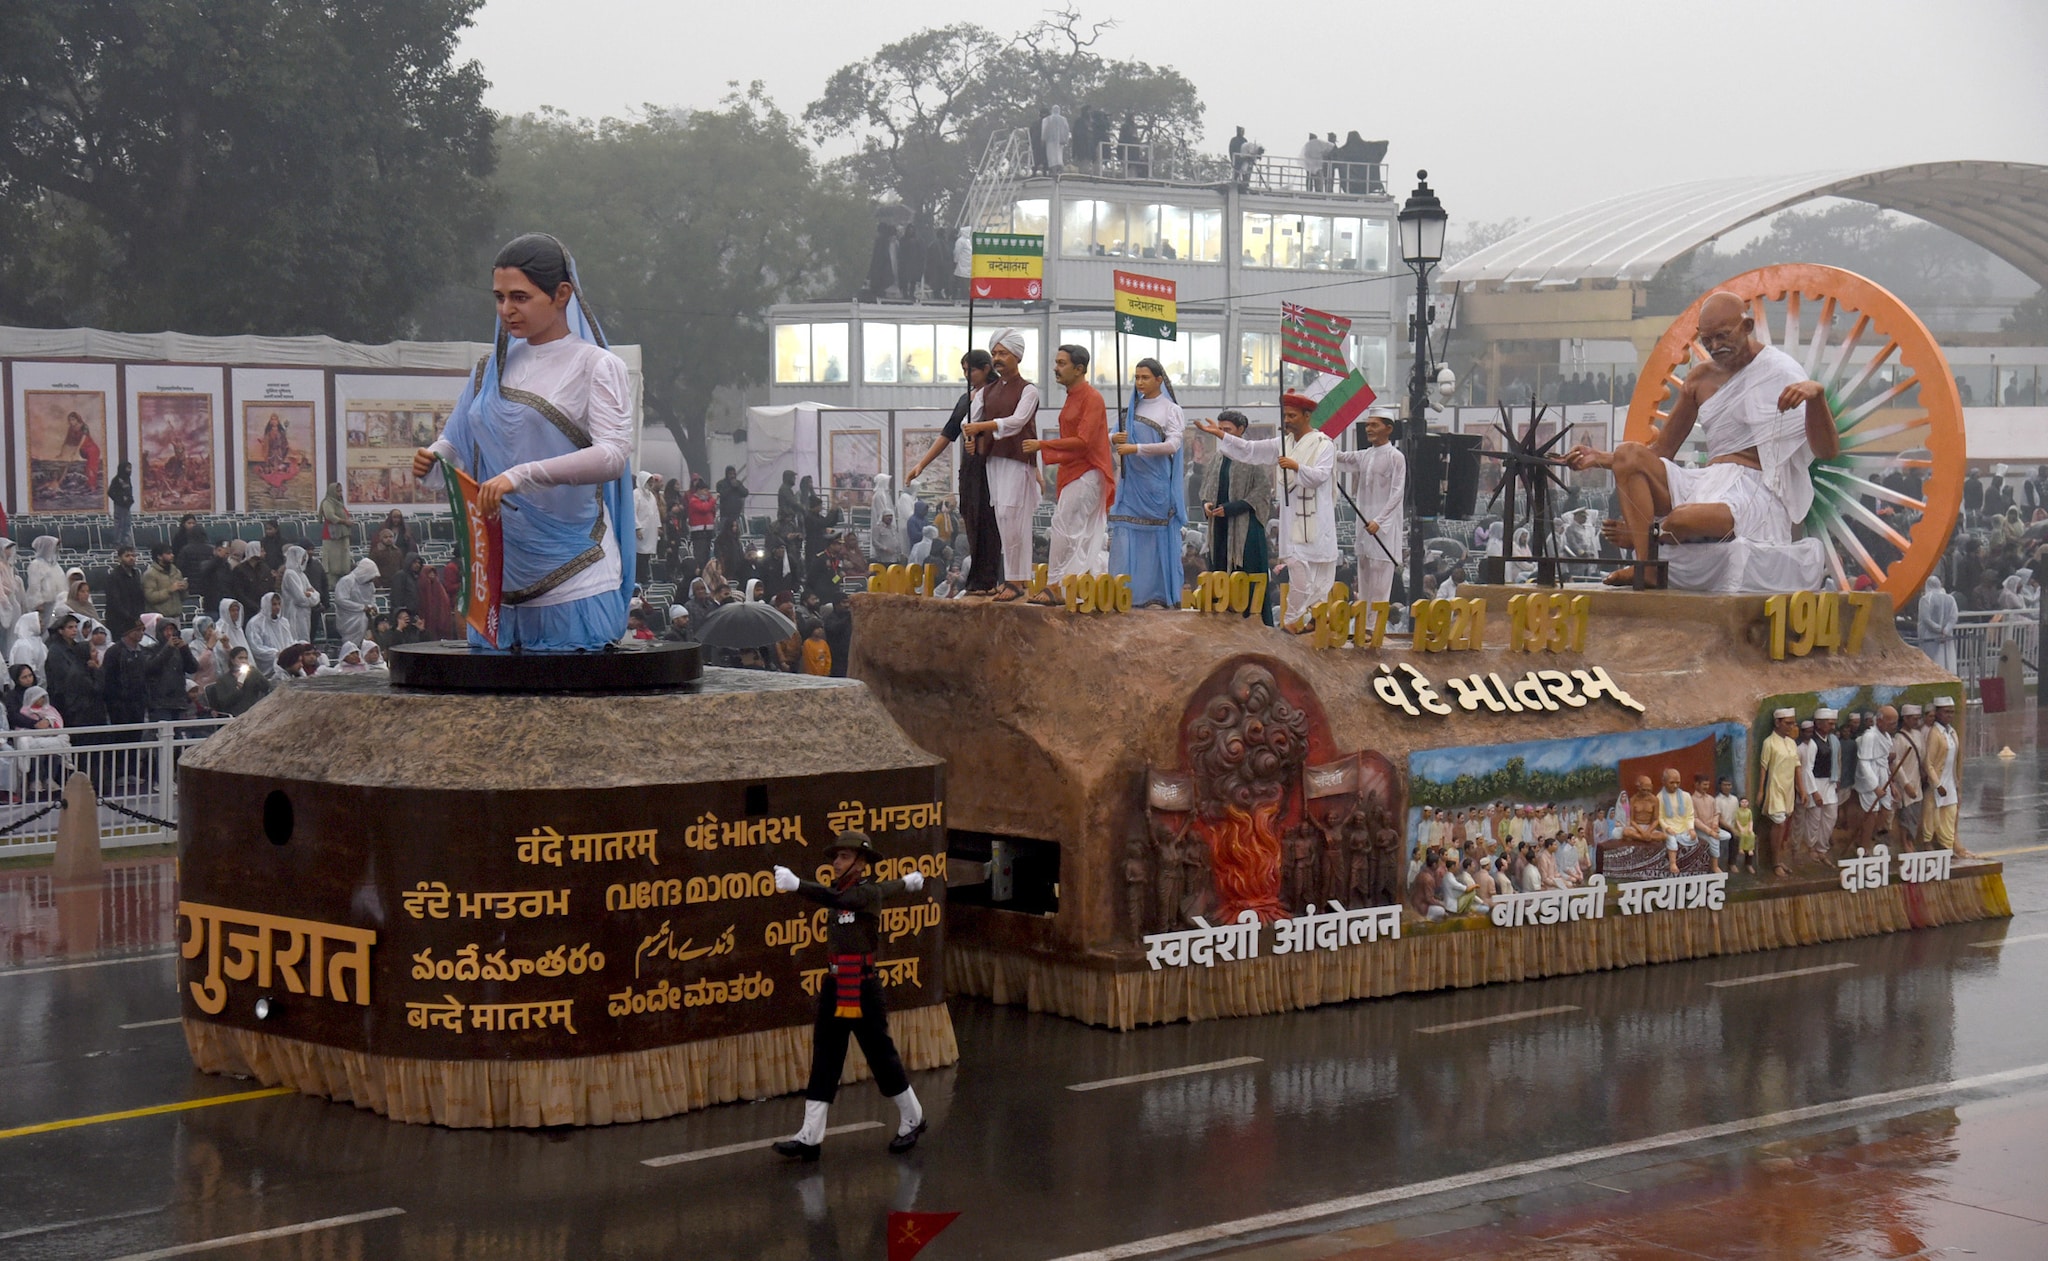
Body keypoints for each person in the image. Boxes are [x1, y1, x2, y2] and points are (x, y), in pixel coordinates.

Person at [412, 233, 634, 651]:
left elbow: (612, 456)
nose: (506, 310)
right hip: (499, 573)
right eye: (498, 297)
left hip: (574, 572)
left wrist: (522, 475)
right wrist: (433, 459)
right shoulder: (490, 369)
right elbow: (455, 443)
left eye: (520, 297)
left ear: (561, 294)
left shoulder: (595, 366)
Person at [1563, 290, 1838, 591]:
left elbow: (1827, 450)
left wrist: (1817, 398)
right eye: (1708, 341)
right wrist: (1602, 458)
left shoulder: (1781, 371)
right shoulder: (1699, 379)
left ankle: (1648, 535)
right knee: (1628, 454)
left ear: (1746, 327)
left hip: (1754, 491)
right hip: (1705, 481)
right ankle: (1646, 566)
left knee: (1682, 519)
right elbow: (1662, 451)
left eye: (1723, 336)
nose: (1716, 347)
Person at [769, 833, 929, 1159]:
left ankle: (913, 1118)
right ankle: (809, 1137)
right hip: (835, 983)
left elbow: (847, 898)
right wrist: (906, 882)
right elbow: (881, 889)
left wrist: (798, 884)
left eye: (843, 857)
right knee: (826, 1055)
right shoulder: (847, 892)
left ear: (861, 861)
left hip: (863, 985)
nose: (835, 862)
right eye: (836, 856)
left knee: (879, 1054)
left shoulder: (863, 893)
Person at [1196, 393, 1337, 629]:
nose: (1288, 420)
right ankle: (1293, 620)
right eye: (1285, 415)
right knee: (1296, 565)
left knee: (1319, 573)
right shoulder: (1283, 443)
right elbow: (1250, 450)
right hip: (1292, 520)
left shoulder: (1324, 444)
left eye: (1292, 415)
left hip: (1316, 518)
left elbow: (1320, 476)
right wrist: (1220, 435)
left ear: (1307, 416)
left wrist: (1296, 466)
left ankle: (1315, 618)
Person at [1025, 343, 1115, 604]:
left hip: (1087, 472)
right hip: (1074, 471)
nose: (1056, 368)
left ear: (1079, 369)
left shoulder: (1092, 398)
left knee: (1067, 529)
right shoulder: (1073, 396)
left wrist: (1043, 445)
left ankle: (1056, 586)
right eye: (1056, 362)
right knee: (1074, 531)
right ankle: (1077, 585)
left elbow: (1084, 441)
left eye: (1061, 363)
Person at [909, 350, 1001, 593]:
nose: (967, 375)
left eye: (971, 369)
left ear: (986, 368)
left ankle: (990, 578)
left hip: (993, 465)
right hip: (970, 466)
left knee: (990, 521)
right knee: (971, 517)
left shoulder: (1000, 393)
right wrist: (922, 464)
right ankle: (978, 578)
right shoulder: (967, 399)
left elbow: (1010, 430)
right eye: (964, 370)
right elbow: (949, 433)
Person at [959, 330, 1041, 601]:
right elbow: (969, 420)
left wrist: (980, 428)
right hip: (993, 460)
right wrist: (971, 435)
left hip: (1017, 459)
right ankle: (1013, 579)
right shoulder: (986, 391)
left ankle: (1018, 579)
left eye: (1003, 353)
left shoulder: (1028, 390)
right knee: (1002, 517)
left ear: (1017, 356)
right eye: (994, 353)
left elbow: (1017, 422)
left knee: (1014, 515)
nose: (997, 358)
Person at [1108, 358, 1186, 608]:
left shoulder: (1170, 409)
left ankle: (1158, 595)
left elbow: (1173, 444)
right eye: (1137, 377)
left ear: (1159, 380)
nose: (1140, 382)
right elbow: (1107, 435)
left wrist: (1136, 448)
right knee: (1125, 535)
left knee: (1155, 538)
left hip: (1155, 486)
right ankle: (1125, 593)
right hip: (1130, 484)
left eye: (1145, 377)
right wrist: (1114, 437)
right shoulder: (1130, 409)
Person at [1196, 410, 1274, 624]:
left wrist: (1233, 508)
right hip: (1219, 527)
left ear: (1240, 431)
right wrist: (1207, 504)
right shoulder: (1218, 457)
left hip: (1244, 528)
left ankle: (1252, 620)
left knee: (1246, 575)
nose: (1222, 434)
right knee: (1219, 571)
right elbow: (1206, 488)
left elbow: (1262, 491)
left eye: (1227, 430)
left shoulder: (1252, 456)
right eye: (1219, 430)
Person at [1333, 407, 1406, 609]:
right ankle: (1363, 627)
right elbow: (1339, 458)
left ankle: (1375, 630)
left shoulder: (1396, 457)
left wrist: (1379, 521)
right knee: (1364, 574)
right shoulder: (1364, 455)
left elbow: (1397, 493)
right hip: (1364, 526)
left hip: (1383, 529)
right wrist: (1319, 443)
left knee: (1380, 580)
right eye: (1367, 425)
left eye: (1374, 425)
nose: (1369, 429)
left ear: (1388, 428)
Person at [1796, 707, 1841, 866]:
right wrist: (1814, 792)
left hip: (1829, 782)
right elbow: (1807, 769)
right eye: (1830, 723)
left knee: (1831, 816)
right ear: (1819, 724)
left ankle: (1822, 848)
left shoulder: (1832, 740)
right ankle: (1811, 848)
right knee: (1814, 819)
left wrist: (1836, 780)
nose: (1833, 727)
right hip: (1814, 782)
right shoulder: (1812, 743)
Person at [1851, 706, 1898, 853]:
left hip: (1882, 774)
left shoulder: (1887, 736)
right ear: (1880, 721)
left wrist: (1892, 785)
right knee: (1872, 813)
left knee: (1886, 808)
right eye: (1891, 723)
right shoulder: (1870, 736)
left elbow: (1885, 762)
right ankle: (1864, 847)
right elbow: (1864, 762)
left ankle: (1868, 837)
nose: (1893, 727)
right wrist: (1875, 786)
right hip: (1869, 777)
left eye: (1895, 723)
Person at [1925, 695, 1966, 857]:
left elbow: (1957, 759)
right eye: (1946, 712)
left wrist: (1956, 782)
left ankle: (1947, 846)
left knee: (1950, 814)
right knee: (1932, 814)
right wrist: (1937, 784)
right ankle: (1928, 842)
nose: (1949, 715)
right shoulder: (1934, 733)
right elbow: (1928, 763)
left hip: (1950, 782)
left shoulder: (1952, 732)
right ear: (1938, 713)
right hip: (1937, 783)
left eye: (1952, 712)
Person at [205, 646, 271, 717]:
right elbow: (224, 703)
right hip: (236, 715)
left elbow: (266, 687)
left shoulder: (252, 674)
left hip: (255, 712)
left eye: (246, 658)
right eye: (240, 658)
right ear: (232, 660)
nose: (243, 661)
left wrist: (255, 672)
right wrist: (238, 689)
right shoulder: (223, 680)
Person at [277, 546, 320, 642]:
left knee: (305, 639)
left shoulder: (302, 574)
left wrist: (311, 595)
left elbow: (316, 594)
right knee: (296, 640)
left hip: (305, 614)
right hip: (294, 613)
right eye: (302, 557)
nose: (304, 560)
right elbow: (300, 599)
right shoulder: (290, 574)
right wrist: (311, 595)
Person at [333, 557, 379, 648]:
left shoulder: (370, 584)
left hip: (366, 617)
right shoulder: (347, 581)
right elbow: (341, 600)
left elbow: (372, 598)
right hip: (349, 618)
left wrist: (373, 607)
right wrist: (362, 607)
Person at [1917, 575, 1958, 672]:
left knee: (1931, 664)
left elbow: (1926, 619)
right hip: (1946, 637)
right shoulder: (1950, 598)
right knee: (1947, 663)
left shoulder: (1925, 599)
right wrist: (1946, 630)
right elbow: (1954, 616)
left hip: (1929, 637)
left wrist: (1937, 629)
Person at [247, 592, 292, 679]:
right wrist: (275, 654)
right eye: (274, 604)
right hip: (267, 666)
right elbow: (256, 648)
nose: (277, 607)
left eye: (279, 604)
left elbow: (289, 641)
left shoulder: (283, 622)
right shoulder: (255, 623)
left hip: (285, 663)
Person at [104, 545, 145, 635]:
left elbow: (140, 597)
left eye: (133, 556)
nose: (131, 558)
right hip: (119, 622)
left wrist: (139, 615)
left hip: (134, 620)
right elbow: (115, 602)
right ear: (119, 559)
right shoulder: (113, 577)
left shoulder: (136, 574)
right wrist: (131, 618)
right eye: (127, 556)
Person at [142, 543, 187, 620]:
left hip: (176, 616)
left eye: (172, 553)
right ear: (159, 556)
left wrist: (184, 589)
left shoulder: (176, 571)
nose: (172, 555)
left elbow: (183, 598)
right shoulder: (150, 574)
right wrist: (169, 590)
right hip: (160, 618)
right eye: (168, 553)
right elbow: (150, 597)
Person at [319, 482, 354, 579]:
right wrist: (344, 522)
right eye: (337, 491)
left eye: (341, 491)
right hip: (332, 536)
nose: (340, 493)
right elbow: (330, 516)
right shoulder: (327, 502)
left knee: (343, 561)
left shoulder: (339, 503)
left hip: (342, 535)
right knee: (333, 563)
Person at [634, 470, 661, 586]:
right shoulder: (636, 494)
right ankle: (640, 578)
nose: (651, 483)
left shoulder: (651, 496)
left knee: (646, 555)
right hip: (640, 531)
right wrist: (637, 527)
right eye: (649, 481)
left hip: (650, 531)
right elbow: (632, 512)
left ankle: (645, 577)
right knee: (639, 555)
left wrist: (658, 526)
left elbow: (655, 513)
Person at [684, 474, 718, 564]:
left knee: (706, 555)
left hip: (708, 532)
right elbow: (704, 508)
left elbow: (712, 511)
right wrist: (713, 500)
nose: (707, 493)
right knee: (700, 556)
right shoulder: (693, 501)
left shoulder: (707, 501)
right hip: (699, 533)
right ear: (699, 491)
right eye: (705, 490)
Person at [108, 461, 134, 549]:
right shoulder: (116, 480)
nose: (129, 470)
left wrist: (129, 500)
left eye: (130, 468)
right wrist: (120, 499)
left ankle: (127, 544)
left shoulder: (128, 479)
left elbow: (129, 492)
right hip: (119, 506)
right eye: (128, 468)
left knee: (127, 525)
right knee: (119, 525)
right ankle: (117, 544)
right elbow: (110, 492)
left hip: (127, 506)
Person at [1040, 104, 1070, 170]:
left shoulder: (1046, 119)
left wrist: (1043, 140)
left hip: (1049, 141)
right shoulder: (1064, 119)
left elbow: (1044, 130)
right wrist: (1066, 140)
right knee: (1059, 156)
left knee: (1051, 157)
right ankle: (1060, 172)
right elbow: (1067, 130)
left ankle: (1054, 172)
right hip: (1061, 141)